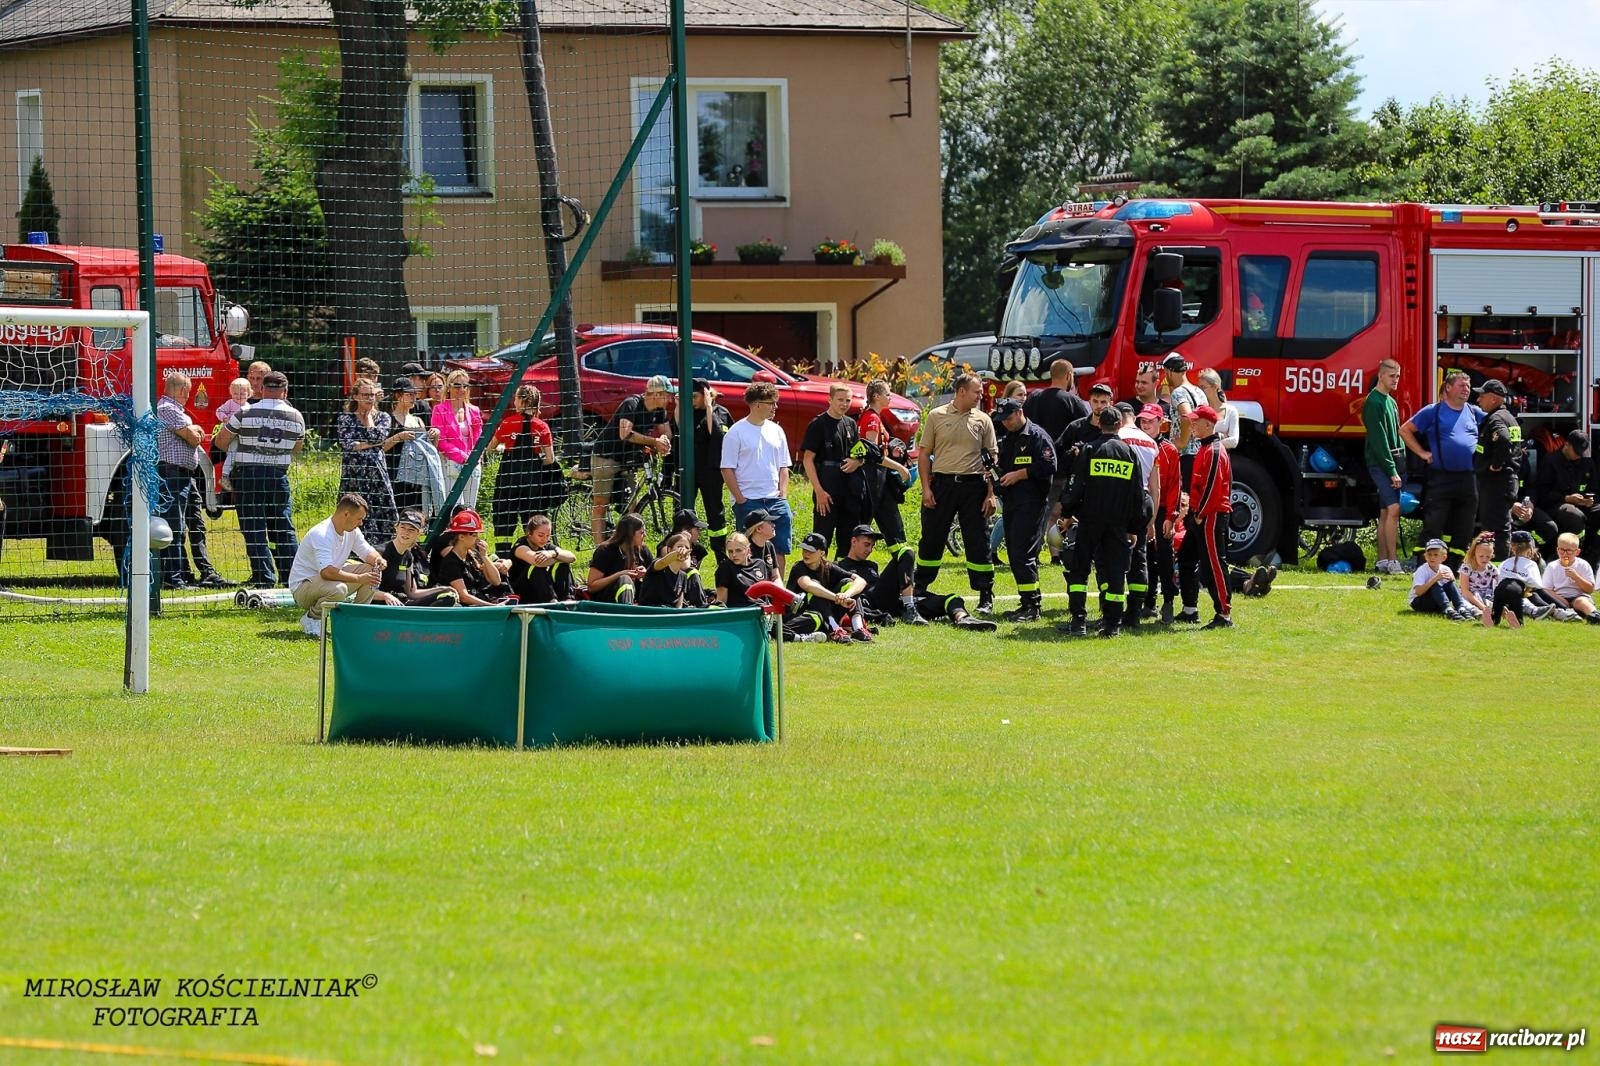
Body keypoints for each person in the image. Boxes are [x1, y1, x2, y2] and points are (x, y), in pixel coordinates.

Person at [1058, 407, 1146, 637]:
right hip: (1117, 523)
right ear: (1119, 426)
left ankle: (1078, 622)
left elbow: (1076, 487)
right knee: (1116, 573)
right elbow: (1137, 494)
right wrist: (1134, 528)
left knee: (1079, 570)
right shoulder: (1129, 453)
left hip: (1090, 521)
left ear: (1099, 425)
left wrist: (1067, 513)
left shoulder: (1090, 449)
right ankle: (1113, 625)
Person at [915, 372, 998, 612]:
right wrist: (926, 489)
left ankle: (985, 594)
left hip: (974, 487)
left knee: (978, 540)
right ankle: (920, 588)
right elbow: (923, 454)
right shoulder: (936, 416)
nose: (980, 396)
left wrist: (990, 493)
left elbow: (992, 458)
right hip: (942, 485)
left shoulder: (984, 420)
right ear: (962, 391)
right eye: (977, 392)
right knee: (932, 536)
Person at [215, 370, 305, 587]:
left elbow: (221, 441)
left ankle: (263, 577)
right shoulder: (296, 416)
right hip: (277, 476)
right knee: (283, 527)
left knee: (253, 527)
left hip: (249, 475)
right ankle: (291, 577)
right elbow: (298, 447)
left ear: (262, 389)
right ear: (285, 391)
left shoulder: (245, 412)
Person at [288, 492, 398, 637]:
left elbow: (367, 552)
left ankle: (358, 619)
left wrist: (378, 560)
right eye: (359, 519)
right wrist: (359, 579)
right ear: (346, 514)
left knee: (373, 571)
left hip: (327, 582)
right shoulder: (321, 534)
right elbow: (326, 572)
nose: (361, 523)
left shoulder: (353, 531)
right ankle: (312, 618)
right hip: (303, 589)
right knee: (339, 589)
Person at [1399, 369, 1481, 563]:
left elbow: (1494, 427)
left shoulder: (1474, 412)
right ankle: (1423, 563)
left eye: (1468, 386)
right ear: (1448, 387)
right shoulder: (1433, 411)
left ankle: (1456, 565)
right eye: (1461, 385)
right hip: (1441, 477)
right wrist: (1422, 453)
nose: (1466, 389)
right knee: (1434, 523)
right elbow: (1405, 430)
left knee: (1464, 524)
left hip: (1469, 478)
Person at [856, 379, 918, 617]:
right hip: (875, 484)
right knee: (898, 541)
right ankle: (905, 594)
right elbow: (872, 454)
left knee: (894, 542)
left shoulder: (871, 417)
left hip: (875, 485)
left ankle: (900, 580)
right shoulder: (871, 419)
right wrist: (899, 468)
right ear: (876, 396)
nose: (890, 398)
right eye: (888, 395)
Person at [992, 398, 1056, 622]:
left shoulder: (1037, 436)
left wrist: (1020, 475)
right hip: (1011, 503)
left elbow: (1049, 465)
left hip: (1031, 503)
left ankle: (1033, 606)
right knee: (1014, 553)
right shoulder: (1008, 438)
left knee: (1024, 554)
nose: (1006, 423)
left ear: (1020, 412)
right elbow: (1004, 468)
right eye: (1003, 420)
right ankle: (1026, 601)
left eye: (1009, 418)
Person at [590, 375, 674, 543]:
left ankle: (627, 545)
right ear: (656, 394)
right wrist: (653, 441)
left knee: (632, 506)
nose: (670, 399)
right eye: (667, 394)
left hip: (630, 460)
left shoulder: (659, 411)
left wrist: (664, 442)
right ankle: (600, 550)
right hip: (607, 456)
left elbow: (667, 432)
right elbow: (625, 434)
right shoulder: (632, 404)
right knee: (601, 505)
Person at [721, 381, 793, 575]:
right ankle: (749, 590)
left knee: (779, 549)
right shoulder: (736, 432)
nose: (775, 407)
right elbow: (727, 469)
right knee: (748, 550)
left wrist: (783, 496)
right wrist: (741, 499)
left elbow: (783, 467)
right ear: (757, 404)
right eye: (772, 403)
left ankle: (778, 593)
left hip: (775, 499)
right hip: (749, 500)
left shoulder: (776, 430)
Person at [1176, 404, 1234, 629]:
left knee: (1214, 564)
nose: (1191, 425)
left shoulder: (1214, 451)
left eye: (1195, 421)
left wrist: (1199, 514)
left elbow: (1212, 487)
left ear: (1208, 425)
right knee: (1187, 557)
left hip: (1210, 516)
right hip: (1200, 514)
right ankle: (1190, 609)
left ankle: (1224, 613)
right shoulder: (1206, 448)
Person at [491, 384, 563, 555]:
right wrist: (536, 465)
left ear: (522, 401)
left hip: (509, 478)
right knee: (532, 520)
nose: (514, 401)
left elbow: (491, 448)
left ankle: (503, 555)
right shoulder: (542, 426)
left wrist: (503, 449)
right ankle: (534, 554)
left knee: (504, 519)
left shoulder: (508, 423)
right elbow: (550, 458)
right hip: (533, 481)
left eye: (515, 398)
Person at [801, 382, 869, 557]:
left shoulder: (851, 424)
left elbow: (859, 453)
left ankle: (844, 574)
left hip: (849, 489)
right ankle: (819, 573)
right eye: (840, 400)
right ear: (830, 399)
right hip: (827, 489)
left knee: (848, 536)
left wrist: (857, 461)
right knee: (823, 536)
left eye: (848, 400)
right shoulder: (818, 424)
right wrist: (819, 491)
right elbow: (808, 460)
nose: (844, 404)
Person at [154, 370, 206, 589]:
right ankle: (172, 579)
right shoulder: (167, 409)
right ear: (184, 390)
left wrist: (194, 430)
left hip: (182, 475)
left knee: (185, 523)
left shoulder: (175, 411)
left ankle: (182, 574)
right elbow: (194, 438)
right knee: (174, 526)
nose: (189, 395)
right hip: (172, 474)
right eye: (189, 391)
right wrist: (195, 430)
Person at [336, 380, 399, 544]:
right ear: (355, 396)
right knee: (353, 513)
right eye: (365, 395)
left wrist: (369, 420)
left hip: (377, 477)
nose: (369, 399)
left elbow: (379, 438)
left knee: (382, 516)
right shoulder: (345, 419)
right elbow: (348, 445)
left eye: (372, 395)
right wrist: (372, 443)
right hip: (354, 476)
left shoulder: (383, 417)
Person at [1139, 403, 1182, 623]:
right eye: (1143, 421)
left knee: (1164, 556)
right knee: (1143, 556)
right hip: (1142, 508)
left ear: (1160, 423)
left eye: (1150, 421)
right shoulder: (1136, 444)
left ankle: (1168, 601)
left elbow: (1175, 485)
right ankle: (1147, 601)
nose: (1145, 424)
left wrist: (1170, 517)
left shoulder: (1169, 450)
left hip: (1163, 509)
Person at [1362, 358, 1406, 574]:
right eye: (1392, 376)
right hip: (1381, 463)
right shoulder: (1373, 402)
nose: (1396, 380)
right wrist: (1392, 471)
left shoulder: (1391, 401)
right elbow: (1379, 440)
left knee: (1385, 512)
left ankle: (1381, 560)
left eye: (1398, 376)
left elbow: (1396, 434)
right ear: (1381, 376)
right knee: (1394, 509)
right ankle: (1393, 561)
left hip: (1394, 460)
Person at [680, 379, 732, 560]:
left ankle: (720, 554)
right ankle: (684, 550)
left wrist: (709, 407)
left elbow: (716, 434)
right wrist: (680, 404)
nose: (691, 401)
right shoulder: (688, 412)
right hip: (689, 470)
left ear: (706, 395)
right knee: (684, 512)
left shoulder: (720, 412)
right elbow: (678, 428)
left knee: (714, 512)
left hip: (710, 471)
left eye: (694, 397)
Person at [786, 530, 869, 644]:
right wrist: (836, 597)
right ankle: (835, 630)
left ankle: (859, 628)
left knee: (848, 583)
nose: (806, 553)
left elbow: (861, 581)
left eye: (811, 551)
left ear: (822, 553)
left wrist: (846, 595)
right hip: (804, 616)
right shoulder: (799, 567)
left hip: (825, 612)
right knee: (816, 589)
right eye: (804, 549)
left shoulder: (828, 567)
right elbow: (808, 585)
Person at [1472, 379, 1522, 560]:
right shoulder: (1509, 417)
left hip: (1497, 482)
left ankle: (1499, 567)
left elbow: (1503, 439)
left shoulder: (1496, 419)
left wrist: (1496, 464)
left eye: (1482, 396)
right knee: (1500, 525)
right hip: (1504, 482)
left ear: (1493, 399)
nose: (1478, 400)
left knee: (1495, 529)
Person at [1535, 430, 1600, 562]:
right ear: (1567, 445)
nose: (1578, 456)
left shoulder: (1587, 463)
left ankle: (1593, 552)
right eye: (1575, 452)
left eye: (1580, 453)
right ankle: (1572, 555)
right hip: (1556, 505)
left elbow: (1595, 489)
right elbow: (1542, 494)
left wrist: (1590, 500)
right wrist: (1567, 498)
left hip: (1583, 505)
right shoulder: (1550, 461)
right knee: (1574, 516)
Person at [426, 509, 512, 606]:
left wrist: (484, 556)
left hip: (479, 601)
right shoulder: (451, 562)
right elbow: (464, 597)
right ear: (461, 537)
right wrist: (492, 606)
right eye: (474, 535)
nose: (478, 539)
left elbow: (496, 581)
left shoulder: (473, 555)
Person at [378, 511, 458, 607]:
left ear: (419, 533)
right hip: (383, 604)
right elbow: (366, 591)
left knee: (447, 597)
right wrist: (385, 596)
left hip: (402, 603)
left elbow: (412, 593)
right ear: (396, 528)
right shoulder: (378, 553)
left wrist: (443, 589)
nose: (406, 532)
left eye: (411, 529)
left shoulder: (408, 557)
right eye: (403, 527)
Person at [387, 377, 441, 518]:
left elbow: (429, 451)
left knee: (417, 515)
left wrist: (435, 437)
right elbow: (380, 448)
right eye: (409, 394)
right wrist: (399, 437)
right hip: (395, 477)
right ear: (398, 395)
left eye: (415, 395)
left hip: (418, 478)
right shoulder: (387, 419)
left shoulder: (418, 420)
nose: (413, 398)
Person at [431, 370, 485, 511]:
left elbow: (479, 438)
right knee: (454, 506)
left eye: (465, 386)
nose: (461, 389)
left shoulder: (474, 410)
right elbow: (441, 442)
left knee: (470, 506)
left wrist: (473, 457)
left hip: (473, 462)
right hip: (451, 462)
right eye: (457, 386)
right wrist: (463, 457)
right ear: (448, 387)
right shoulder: (439, 410)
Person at [508, 513, 576, 604]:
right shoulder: (520, 547)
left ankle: (567, 599)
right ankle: (551, 601)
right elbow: (538, 561)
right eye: (540, 535)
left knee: (562, 564)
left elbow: (572, 557)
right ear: (529, 533)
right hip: (523, 591)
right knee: (536, 567)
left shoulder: (546, 547)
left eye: (548, 535)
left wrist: (553, 553)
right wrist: (558, 557)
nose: (544, 539)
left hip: (539, 587)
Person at [587, 512, 650, 604]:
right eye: (642, 533)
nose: (645, 536)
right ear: (630, 534)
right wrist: (619, 575)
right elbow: (592, 586)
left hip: (637, 598)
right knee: (625, 580)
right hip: (606, 601)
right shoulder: (605, 551)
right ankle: (626, 611)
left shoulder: (643, 550)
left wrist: (646, 574)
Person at [1163, 353, 1206, 478]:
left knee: (1184, 496)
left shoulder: (1178, 392)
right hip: (1200, 453)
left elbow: (1187, 415)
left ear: (1170, 372)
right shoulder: (1199, 391)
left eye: (1165, 373)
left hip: (1185, 457)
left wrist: (1182, 442)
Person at [1498, 529, 1555, 622]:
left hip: (1507, 593)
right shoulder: (1529, 564)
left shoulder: (1505, 563)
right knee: (1534, 594)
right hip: (1518, 594)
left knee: (1534, 593)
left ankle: (1556, 610)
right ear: (1531, 547)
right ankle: (1553, 611)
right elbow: (1537, 584)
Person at [1542, 531, 1600, 622]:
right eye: (1562, 550)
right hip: (1560, 597)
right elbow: (1546, 589)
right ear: (1557, 550)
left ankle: (1594, 615)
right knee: (1547, 596)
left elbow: (1589, 589)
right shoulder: (1552, 566)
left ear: (1577, 552)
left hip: (1579, 596)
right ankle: (1566, 611)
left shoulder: (1583, 565)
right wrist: (1562, 600)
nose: (1565, 554)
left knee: (1581, 602)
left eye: (1569, 551)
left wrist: (1576, 577)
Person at [1410, 537, 1469, 620]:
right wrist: (1435, 579)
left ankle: (1461, 608)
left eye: (1435, 555)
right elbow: (1418, 592)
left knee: (1450, 584)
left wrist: (1451, 580)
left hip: (1437, 601)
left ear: (1444, 557)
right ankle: (1447, 609)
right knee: (1435, 584)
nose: (1432, 557)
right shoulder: (1422, 570)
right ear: (1425, 556)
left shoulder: (1446, 569)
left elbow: (1452, 589)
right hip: (1419, 602)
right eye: (1429, 554)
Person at [639, 531, 697, 608]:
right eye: (679, 546)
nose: (683, 550)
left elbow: (679, 605)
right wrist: (676, 554)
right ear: (669, 549)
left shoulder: (683, 576)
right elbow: (663, 562)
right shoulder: (658, 565)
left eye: (687, 548)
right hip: (650, 610)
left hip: (669, 613)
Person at [213, 376, 251, 493]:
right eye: (235, 393)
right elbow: (219, 411)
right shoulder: (230, 403)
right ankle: (224, 476)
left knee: (240, 456)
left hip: (242, 435)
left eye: (242, 393)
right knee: (232, 453)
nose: (238, 396)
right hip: (230, 433)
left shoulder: (249, 407)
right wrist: (224, 417)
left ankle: (238, 477)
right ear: (231, 393)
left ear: (249, 393)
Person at [715, 532, 771, 609]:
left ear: (748, 550)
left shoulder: (760, 564)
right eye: (730, 551)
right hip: (741, 614)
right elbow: (721, 602)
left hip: (762, 611)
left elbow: (767, 594)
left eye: (738, 550)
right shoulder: (726, 567)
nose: (734, 555)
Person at [1458, 531, 1499, 623]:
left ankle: (1495, 613)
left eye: (1488, 556)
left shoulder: (1492, 569)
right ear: (1474, 554)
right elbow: (1465, 591)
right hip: (1469, 596)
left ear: (1492, 555)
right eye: (1481, 556)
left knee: (1493, 603)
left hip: (1485, 597)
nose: (1484, 559)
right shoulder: (1467, 567)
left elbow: (1499, 585)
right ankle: (1478, 613)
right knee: (1463, 603)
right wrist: (1481, 606)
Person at [1196, 368, 1240, 450]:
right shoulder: (1198, 408)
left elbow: (1234, 441)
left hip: (1219, 459)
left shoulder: (1231, 411)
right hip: (1201, 457)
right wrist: (1221, 436)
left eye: (1203, 387)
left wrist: (1209, 443)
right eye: (1199, 388)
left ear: (1215, 387)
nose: (1200, 391)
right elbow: (1194, 439)